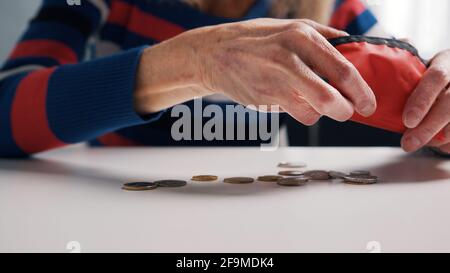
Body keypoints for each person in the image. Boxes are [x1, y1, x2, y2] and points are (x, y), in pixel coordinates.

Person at [0, 0, 448, 158]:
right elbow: (6, 113)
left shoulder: (336, 10)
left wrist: (438, 112)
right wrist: (194, 61)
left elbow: (416, 119)